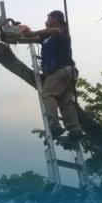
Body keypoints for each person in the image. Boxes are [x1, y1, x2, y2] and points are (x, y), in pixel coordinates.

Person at [21, 10, 82, 141]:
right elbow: (31, 39)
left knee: (47, 95)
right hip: (67, 73)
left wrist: (32, 32)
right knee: (66, 103)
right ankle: (75, 130)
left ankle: (54, 126)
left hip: (60, 71)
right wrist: (18, 33)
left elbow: (53, 31)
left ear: (55, 18)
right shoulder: (46, 37)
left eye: (48, 18)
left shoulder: (61, 30)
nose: (46, 21)